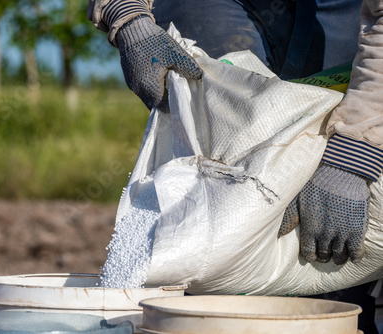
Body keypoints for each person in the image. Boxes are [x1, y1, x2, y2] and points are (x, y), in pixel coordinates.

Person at [88, 0, 382, 332]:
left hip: (354, 17)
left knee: (330, 250)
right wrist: (129, 17)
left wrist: (356, 150)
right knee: (220, 167)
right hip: (218, 7)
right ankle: (206, 312)